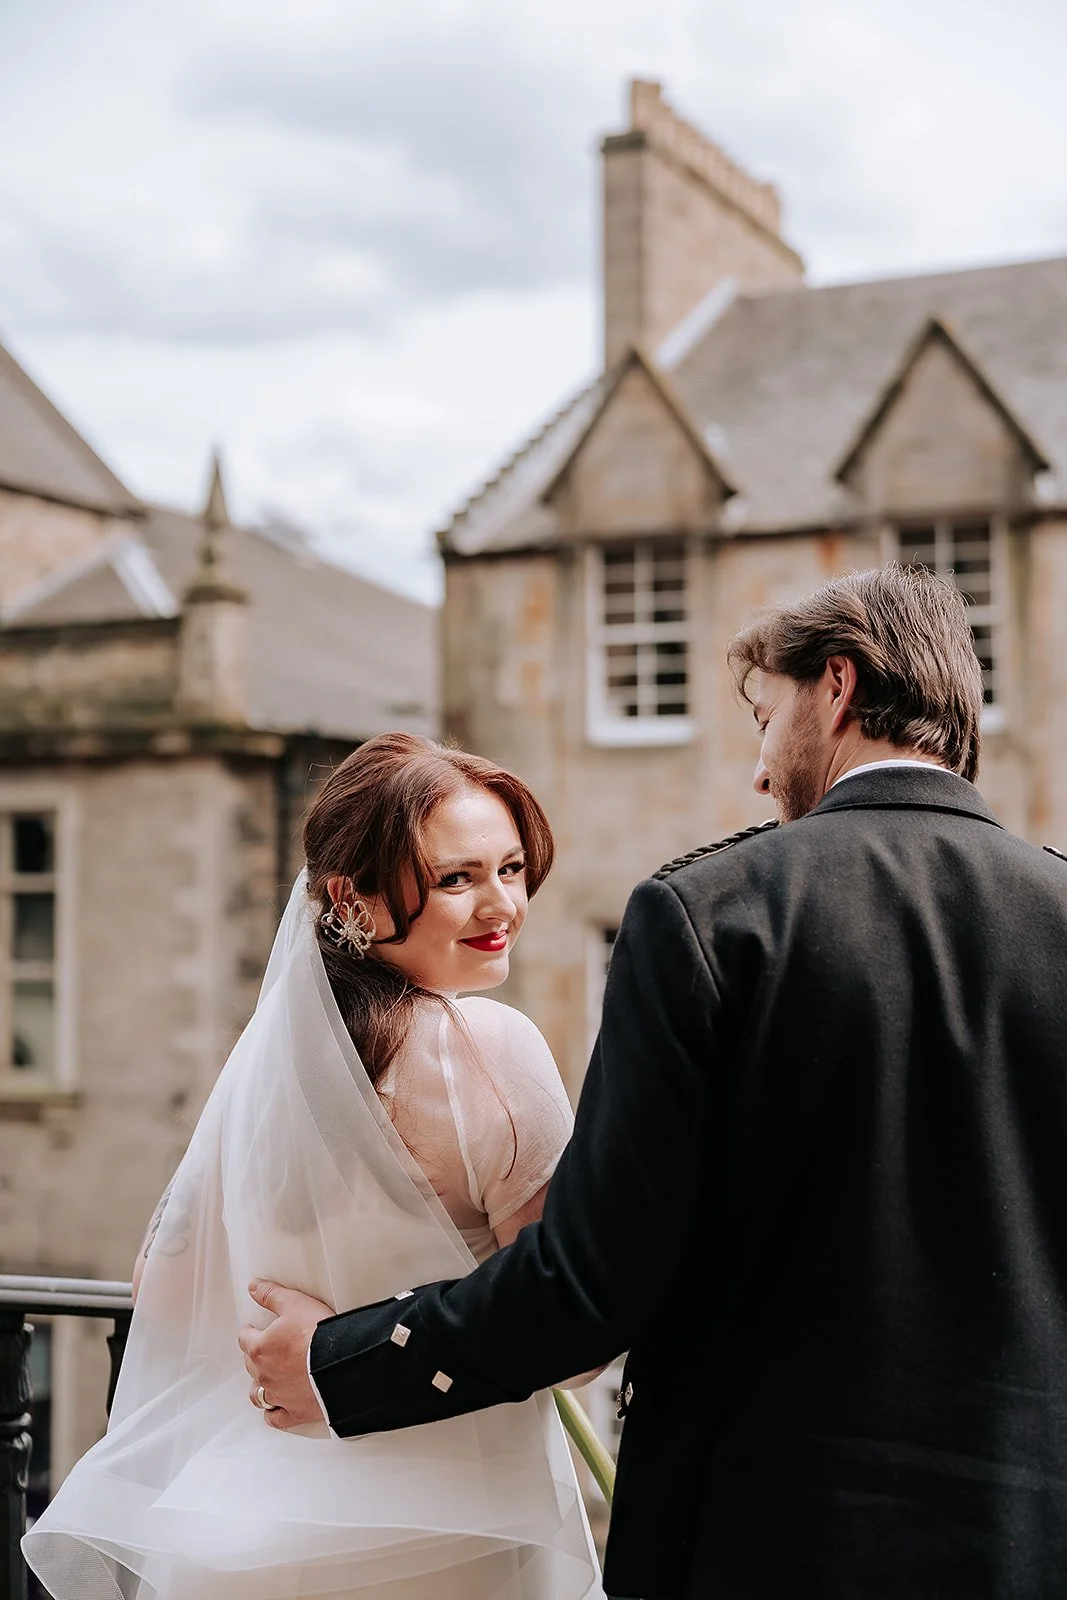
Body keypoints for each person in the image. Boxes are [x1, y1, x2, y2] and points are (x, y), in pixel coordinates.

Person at [241, 565, 1067, 1600]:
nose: (761, 773)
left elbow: (589, 1285)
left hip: (762, 1542)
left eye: (764, 719)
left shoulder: (712, 916)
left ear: (837, 687)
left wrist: (340, 1364)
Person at [23, 733, 603, 1600]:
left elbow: (161, 1287)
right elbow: (569, 1337)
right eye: (457, 878)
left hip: (249, 1520)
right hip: (439, 1533)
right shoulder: (489, 1049)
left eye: (511, 869)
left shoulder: (271, 1063)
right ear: (350, 898)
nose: (501, 906)